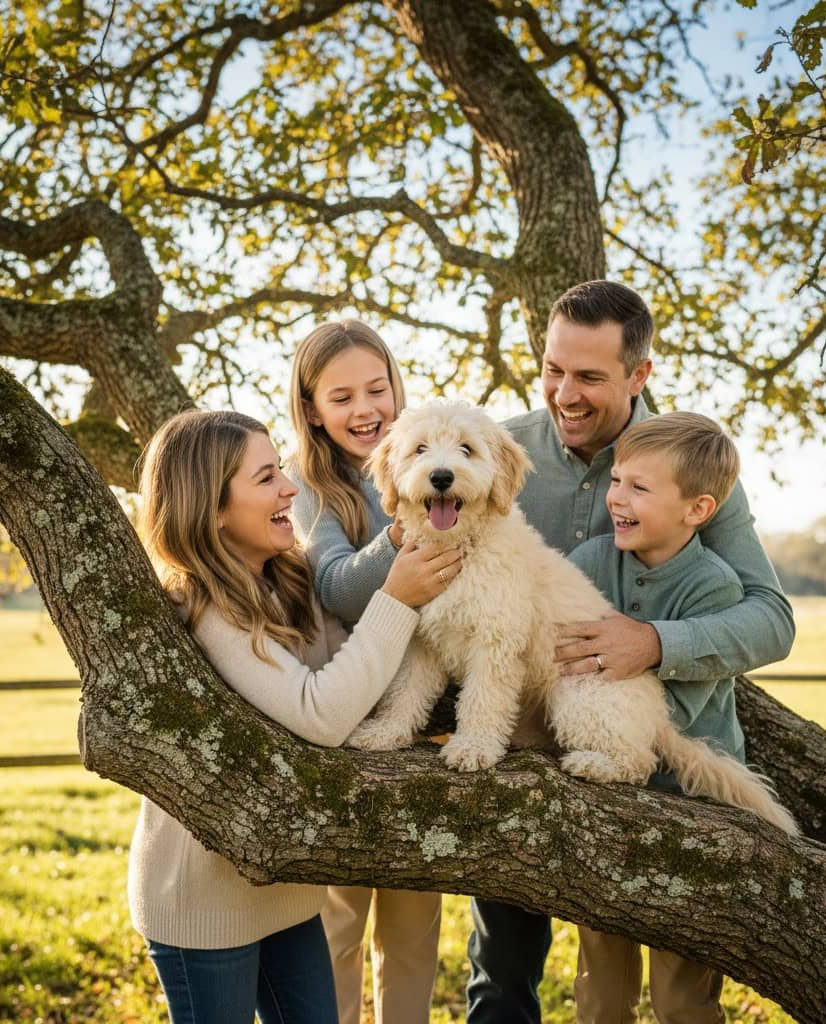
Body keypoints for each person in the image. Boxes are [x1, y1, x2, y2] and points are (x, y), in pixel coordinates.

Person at [465, 280, 795, 1024]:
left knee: (680, 980)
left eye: (589, 377)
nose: (564, 394)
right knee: (508, 972)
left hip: (654, 749)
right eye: (553, 369)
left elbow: (770, 618)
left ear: (638, 375)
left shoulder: (694, 465)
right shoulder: (502, 451)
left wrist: (652, 642)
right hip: (527, 751)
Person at [129, 408, 459, 1024]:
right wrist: (397, 597)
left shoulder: (290, 575)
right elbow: (322, 713)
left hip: (287, 887)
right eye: (265, 478)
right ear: (212, 507)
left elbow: (354, 672)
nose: (289, 487)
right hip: (205, 899)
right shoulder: (205, 607)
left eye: (281, 467)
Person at [289, 320, 455, 1024]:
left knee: (415, 937)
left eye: (376, 388)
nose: (365, 409)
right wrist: (399, 531)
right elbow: (334, 586)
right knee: (337, 927)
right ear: (313, 408)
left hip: (426, 728)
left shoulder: (435, 454)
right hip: (346, 724)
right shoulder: (309, 485)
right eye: (341, 396)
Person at [569, 411, 749, 1024]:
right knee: (600, 982)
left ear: (697, 510)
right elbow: (560, 657)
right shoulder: (590, 562)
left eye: (638, 488)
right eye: (616, 480)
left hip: (691, 799)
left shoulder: (714, 587)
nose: (616, 497)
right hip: (604, 796)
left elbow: (675, 712)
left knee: (683, 988)